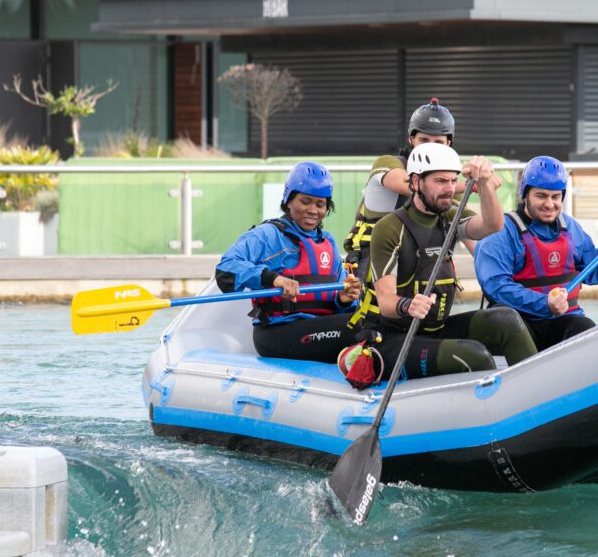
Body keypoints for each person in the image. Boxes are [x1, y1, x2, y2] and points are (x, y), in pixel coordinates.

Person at [350, 142, 538, 380]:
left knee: (506, 319)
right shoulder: (389, 227)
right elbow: (386, 302)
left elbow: (492, 225)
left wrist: (484, 184)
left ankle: (536, 392)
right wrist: (407, 305)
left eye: (452, 180)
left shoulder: (450, 215)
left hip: (435, 329)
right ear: (416, 182)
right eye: (440, 181)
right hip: (393, 338)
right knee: (473, 355)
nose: (449, 189)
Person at [474, 156, 598, 350]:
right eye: (541, 196)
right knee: (508, 322)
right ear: (525, 195)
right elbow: (495, 286)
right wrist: (544, 303)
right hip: (519, 324)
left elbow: (595, 270)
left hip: (561, 320)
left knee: (584, 327)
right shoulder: (501, 232)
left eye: (555, 197)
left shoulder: (570, 227)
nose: (549, 204)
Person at [215, 161, 363, 363]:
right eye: (305, 201)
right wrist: (273, 279)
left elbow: (342, 303)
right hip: (278, 333)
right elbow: (226, 269)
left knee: (373, 318)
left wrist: (344, 300)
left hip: (320, 329)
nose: (313, 210)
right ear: (289, 200)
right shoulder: (266, 235)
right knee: (361, 325)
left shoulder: (328, 242)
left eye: (320, 204)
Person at [343, 97, 469, 286]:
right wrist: (474, 184)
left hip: (422, 262)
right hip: (376, 262)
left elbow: (471, 236)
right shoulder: (388, 164)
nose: (430, 147)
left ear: (449, 143)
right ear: (411, 139)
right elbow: (408, 184)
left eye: (438, 142)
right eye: (424, 140)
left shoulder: (451, 184)